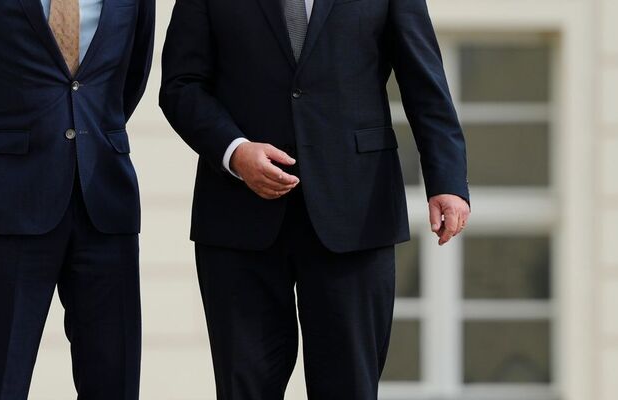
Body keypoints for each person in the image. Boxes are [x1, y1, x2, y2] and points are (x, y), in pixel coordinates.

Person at [159, 0, 472, 398]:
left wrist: (446, 180)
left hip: (357, 210)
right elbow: (181, 85)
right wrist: (234, 150)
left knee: (350, 389)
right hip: (238, 216)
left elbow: (424, 81)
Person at [0, 0, 154, 396]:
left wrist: (85, 144)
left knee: (116, 383)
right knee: (1, 382)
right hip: (7, 204)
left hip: (105, 204)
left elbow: (131, 75)